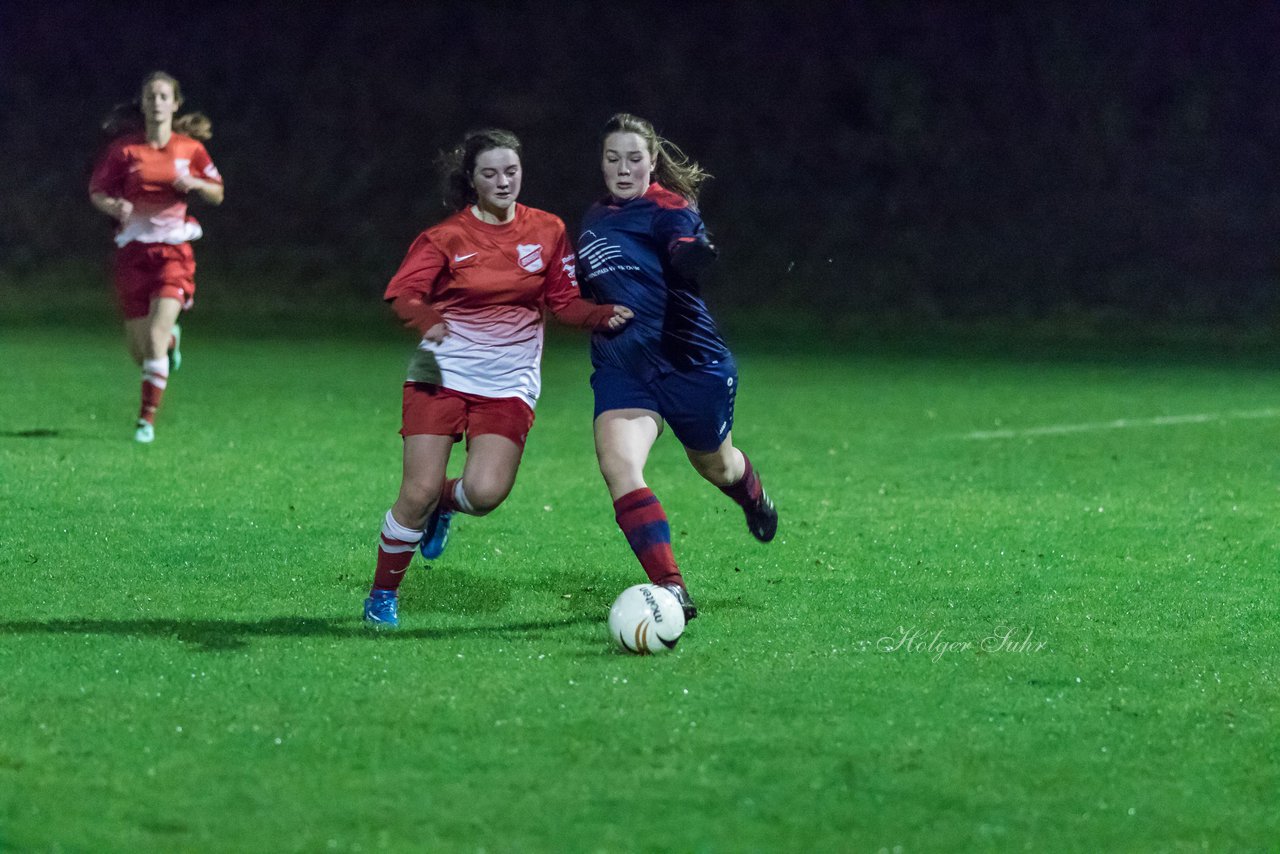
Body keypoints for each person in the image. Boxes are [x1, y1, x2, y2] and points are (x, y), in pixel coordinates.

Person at [363, 128, 632, 629]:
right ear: (473, 180)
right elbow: (402, 293)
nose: (503, 181)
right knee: (415, 491)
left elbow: (563, 302)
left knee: (485, 494)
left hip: (509, 380)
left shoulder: (547, 230)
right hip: (439, 371)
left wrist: (599, 315)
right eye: (490, 173)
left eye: (511, 171)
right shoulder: (445, 238)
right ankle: (382, 593)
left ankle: (445, 507)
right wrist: (428, 321)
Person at [575, 113, 778, 622]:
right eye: (612, 158)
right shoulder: (593, 220)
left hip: (691, 362)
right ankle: (671, 588)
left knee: (716, 465)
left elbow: (681, 240)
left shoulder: (669, 207)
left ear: (652, 161)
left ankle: (751, 493)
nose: (623, 169)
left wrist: (691, 254)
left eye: (634, 158)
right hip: (624, 364)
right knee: (619, 464)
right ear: (601, 162)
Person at [89, 71, 224, 443]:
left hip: (173, 253)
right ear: (143, 103)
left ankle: (145, 420)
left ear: (175, 103)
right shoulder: (124, 150)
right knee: (141, 350)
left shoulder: (189, 149)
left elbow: (217, 192)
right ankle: (171, 343)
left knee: (154, 336)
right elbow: (97, 191)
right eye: (151, 96)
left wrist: (196, 183)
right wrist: (115, 205)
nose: (157, 102)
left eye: (164, 96)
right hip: (132, 252)